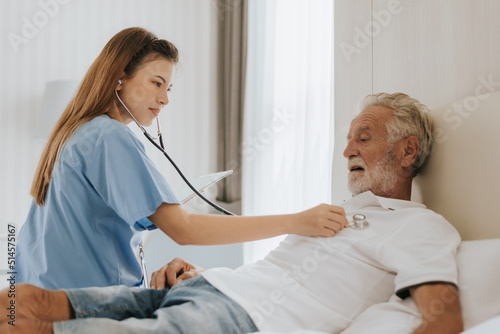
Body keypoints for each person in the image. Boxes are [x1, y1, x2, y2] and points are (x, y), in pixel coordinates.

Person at [3, 93, 464, 334]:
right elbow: (277, 274)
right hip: (212, 287)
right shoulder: (336, 211)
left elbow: (443, 320)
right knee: (26, 302)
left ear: (408, 151)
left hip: (239, 319)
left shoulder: (421, 227)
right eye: (348, 138)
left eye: (364, 137)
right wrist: (201, 273)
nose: (347, 150)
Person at [14, 26, 347, 290]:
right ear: (120, 76)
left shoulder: (74, 134)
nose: (164, 99)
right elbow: (183, 229)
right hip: (86, 308)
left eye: (168, 89)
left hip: (45, 303)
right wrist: (296, 221)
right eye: (157, 83)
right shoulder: (109, 137)